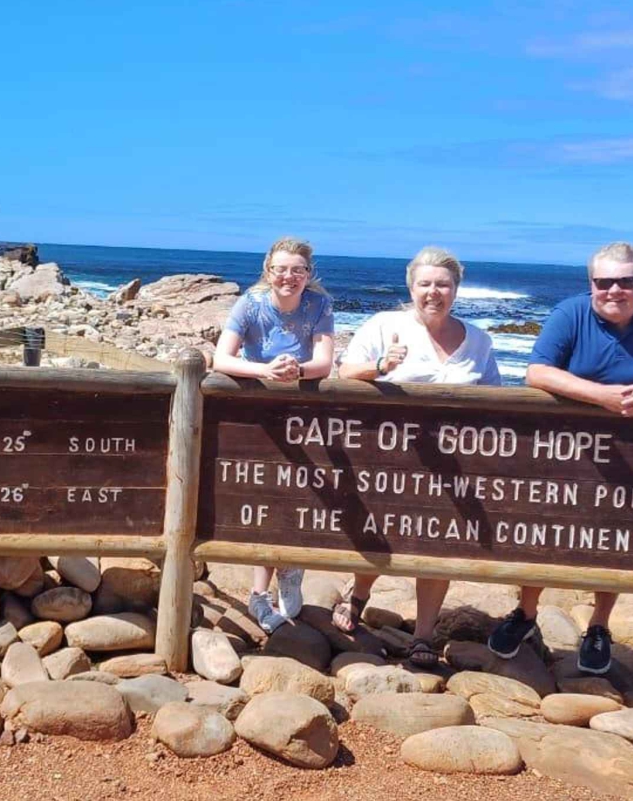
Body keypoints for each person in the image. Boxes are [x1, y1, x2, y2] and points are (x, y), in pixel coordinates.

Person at [487, 242, 633, 675]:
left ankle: (599, 625)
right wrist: (602, 397)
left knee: (613, 542)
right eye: (603, 281)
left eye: (626, 281)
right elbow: (537, 371)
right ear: (590, 283)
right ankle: (527, 614)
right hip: (563, 449)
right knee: (541, 534)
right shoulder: (570, 314)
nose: (614, 290)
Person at [336, 246, 501, 665]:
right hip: (390, 455)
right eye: (425, 284)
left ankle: (424, 634)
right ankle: (358, 596)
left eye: (443, 284)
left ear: (456, 290)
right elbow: (345, 373)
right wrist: (381, 365)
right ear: (411, 287)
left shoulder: (478, 340)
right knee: (379, 530)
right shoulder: (384, 325)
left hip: (454, 461)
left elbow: (498, 399)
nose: (434, 292)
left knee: (439, 542)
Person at [212, 236, 334, 633]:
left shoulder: (319, 304)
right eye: (281, 269)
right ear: (268, 271)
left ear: (308, 274)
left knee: (301, 492)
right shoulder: (250, 303)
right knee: (264, 496)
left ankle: (291, 567)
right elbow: (221, 357)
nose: (289, 276)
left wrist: (294, 371)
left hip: (303, 415)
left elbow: (324, 362)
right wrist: (266, 372)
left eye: (298, 269)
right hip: (257, 414)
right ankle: (259, 593)